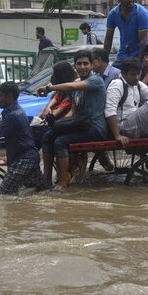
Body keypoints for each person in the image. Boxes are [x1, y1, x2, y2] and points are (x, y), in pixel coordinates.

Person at [37, 50, 108, 191]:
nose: (82, 67)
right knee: (48, 136)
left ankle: (63, 183)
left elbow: (72, 87)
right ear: (75, 66)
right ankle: (46, 180)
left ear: (92, 65)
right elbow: (73, 111)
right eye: (79, 64)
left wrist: (48, 87)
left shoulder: (95, 80)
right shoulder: (76, 83)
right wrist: (58, 124)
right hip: (80, 124)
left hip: (95, 128)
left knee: (60, 141)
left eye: (86, 63)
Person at [0, 82, 47, 194]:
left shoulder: (13, 115)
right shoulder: (11, 111)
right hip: (24, 156)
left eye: (0, 96)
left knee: (4, 192)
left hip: (25, 160)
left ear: (9, 97)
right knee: (40, 190)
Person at [103, 0, 148, 67]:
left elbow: (143, 41)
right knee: (110, 75)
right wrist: (104, 61)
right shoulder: (113, 14)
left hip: (139, 56)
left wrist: (138, 63)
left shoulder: (141, 13)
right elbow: (108, 38)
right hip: (122, 56)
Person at [31, 61, 76, 148]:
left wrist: (49, 116)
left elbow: (60, 110)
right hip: (58, 123)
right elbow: (49, 106)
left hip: (66, 125)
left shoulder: (71, 94)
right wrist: (46, 110)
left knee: (43, 134)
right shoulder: (60, 93)